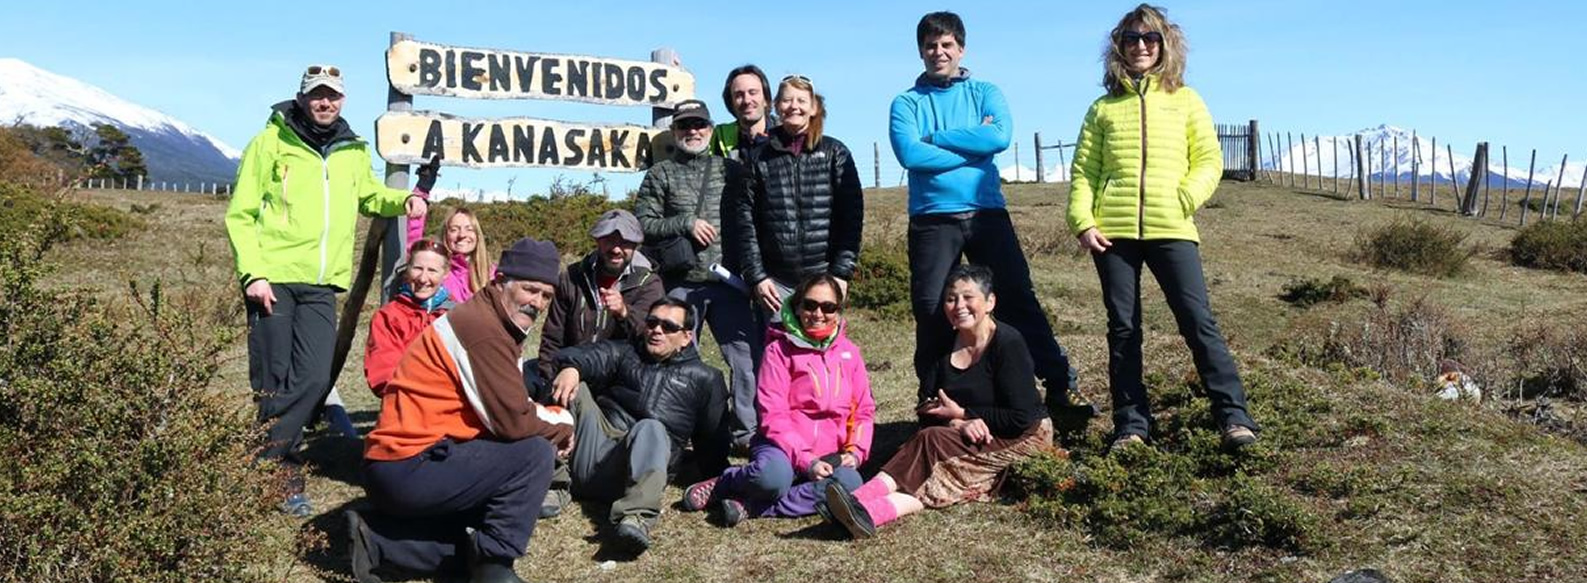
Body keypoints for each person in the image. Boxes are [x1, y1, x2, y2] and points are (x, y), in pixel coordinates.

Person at [224, 63, 434, 517]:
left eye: (333, 95)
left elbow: (370, 197)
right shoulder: (269, 143)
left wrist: (406, 200)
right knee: (272, 382)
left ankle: (257, 457)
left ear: (342, 100)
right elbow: (240, 214)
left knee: (317, 377)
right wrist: (253, 274)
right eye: (317, 94)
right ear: (301, 98)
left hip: (322, 283)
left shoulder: (352, 150)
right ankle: (285, 477)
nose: (325, 102)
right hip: (273, 279)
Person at [1066, 4, 1259, 450]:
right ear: (1119, 45)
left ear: (1164, 44)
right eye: (1131, 38)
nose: (1140, 46)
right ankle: (1132, 427)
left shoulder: (1187, 100)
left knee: (1197, 320)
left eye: (1149, 38)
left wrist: (1184, 197)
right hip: (1112, 234)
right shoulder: (1102, 109)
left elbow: (1209, 160)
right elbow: (1084, 174)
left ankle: (1235, 419)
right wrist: (1083, 223)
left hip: (1172, 227)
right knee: (1124, 329)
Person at [887, 11, 1094, 424]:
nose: (939, 52)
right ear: (921, 51)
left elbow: (999, 136)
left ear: (961, 48)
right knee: (932, 309)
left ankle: (1057, 383)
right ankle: (934, 398)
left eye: (947, 45)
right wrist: (972, 144)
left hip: (986, 211)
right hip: (932, 219)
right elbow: (910, 155)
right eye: (931, 46)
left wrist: (935, 140)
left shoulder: (986, 92)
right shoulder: (906, 102)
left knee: (1017, 297)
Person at [350, 237, 571, 583]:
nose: (537, 303)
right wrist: (563, 425)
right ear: (501, 281)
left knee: (478, 525)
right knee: (533, 455)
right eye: (530, 290)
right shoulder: (483, 330)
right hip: (409, 464)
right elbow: (513, 421)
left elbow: (505, 406)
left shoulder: (490, 319)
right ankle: (494, 566)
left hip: (399, 463)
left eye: (546, 295)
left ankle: (379, 543)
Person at [823, 265, 1052, 540]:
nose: (959, 306)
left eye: (969, 297)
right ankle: (859, 511)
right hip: (966, 431)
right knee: (930, 443)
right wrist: (958, 422)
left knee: (932, 447)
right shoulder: (941, 342)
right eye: (951, 298)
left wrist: (966, 413)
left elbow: (1022, 417)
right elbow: (926, 404)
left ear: (990, 302)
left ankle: (861, 504)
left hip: (1021, 436)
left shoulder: (1008, 343)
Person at [681, 274, 874, 527]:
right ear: (797, 306)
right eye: (810, 305)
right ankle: (726, 482)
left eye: (828, 307)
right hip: (780, 447)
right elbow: (774, 416)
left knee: (850, 483)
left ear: (838, 312)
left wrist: (856, 452)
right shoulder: (778, 351)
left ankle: (754, 506)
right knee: (771, 479)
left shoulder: (850, 353)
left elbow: (863, 411)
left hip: (828, 454)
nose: (818, 313)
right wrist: (807, 461)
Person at [544, 298, 729, 554]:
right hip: (592, 448)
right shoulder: (626, 352)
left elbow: (713, 442)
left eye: (668, 326)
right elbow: (589, 355)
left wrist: (725, 483)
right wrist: (572, 369)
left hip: (634, 471)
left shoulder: (706, 378)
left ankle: (636, 517)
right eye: (652, 322)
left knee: (651, 427)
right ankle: (555, 485)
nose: (657, 330)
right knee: (575, 387)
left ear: (687, 337)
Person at [634, 98, 761, 452]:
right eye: (685, 125)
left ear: (710, 129)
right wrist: (684, 223)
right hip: (680, 285)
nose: (693, 131)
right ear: (674, 131)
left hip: (728, 284)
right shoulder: (660, 174)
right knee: (671, 358)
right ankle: (672, 433)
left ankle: (745, 434)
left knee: (745, 360)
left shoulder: (730, 170)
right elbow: (642, 223)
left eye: (699, 125)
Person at [536, 208, 665, 516]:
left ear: (636, 245)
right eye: (608, 239)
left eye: (625, 241)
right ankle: (557, 482)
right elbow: (552, 338)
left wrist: (625, 313)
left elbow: (653, 344)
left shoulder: (649, 284)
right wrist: (547, 382)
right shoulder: (573, 277)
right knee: (554, 391)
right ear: (597, 241)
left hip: (619, 389)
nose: (616, 248)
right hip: (571, 377)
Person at [730, 74, 864, 318]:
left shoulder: (836, 152)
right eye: (787, 100)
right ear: (777, 106)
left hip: (823, 278)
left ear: (813, 108)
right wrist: (757, 276)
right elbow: (745, 222)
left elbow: (852, 219)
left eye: (802, 100)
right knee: (776, 352)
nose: (794, 106)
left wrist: (841, 273)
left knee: (821, 352)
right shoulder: (758, 158)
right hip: (775, 282)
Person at [364, 238, 453, 398]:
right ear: (407, 269)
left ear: (445, 274)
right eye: (417, 268)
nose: (423, 278)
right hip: (405, 404)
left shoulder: (456, 317)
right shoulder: (388, 317)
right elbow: (383, 372)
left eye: (432, 271)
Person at [709, 65, 775, 164]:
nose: (747, 100)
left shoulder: (785, 133)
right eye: (739, 95)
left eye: (753, 93)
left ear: (766, 99)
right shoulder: (719, 138)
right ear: (731, 102)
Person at [433, 207, 494, 304]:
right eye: (454, 230)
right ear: (445, 235)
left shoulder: (492, 274)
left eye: (469, 229)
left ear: (477, 235)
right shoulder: (435, 270)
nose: (462, 235)